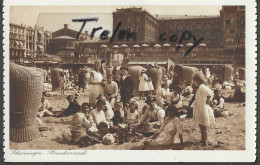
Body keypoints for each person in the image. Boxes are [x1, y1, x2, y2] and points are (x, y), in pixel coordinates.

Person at [192, 71, 215, 146]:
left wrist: (208, 101)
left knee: (203, 125)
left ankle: (205, 141)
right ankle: (203, 139)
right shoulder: (201, 87)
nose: (193, 82)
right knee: (201, 124)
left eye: (194, 81)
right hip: (200, 107)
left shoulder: (202, 87)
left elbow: (210, 93)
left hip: (202, 107)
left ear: (197, 80)